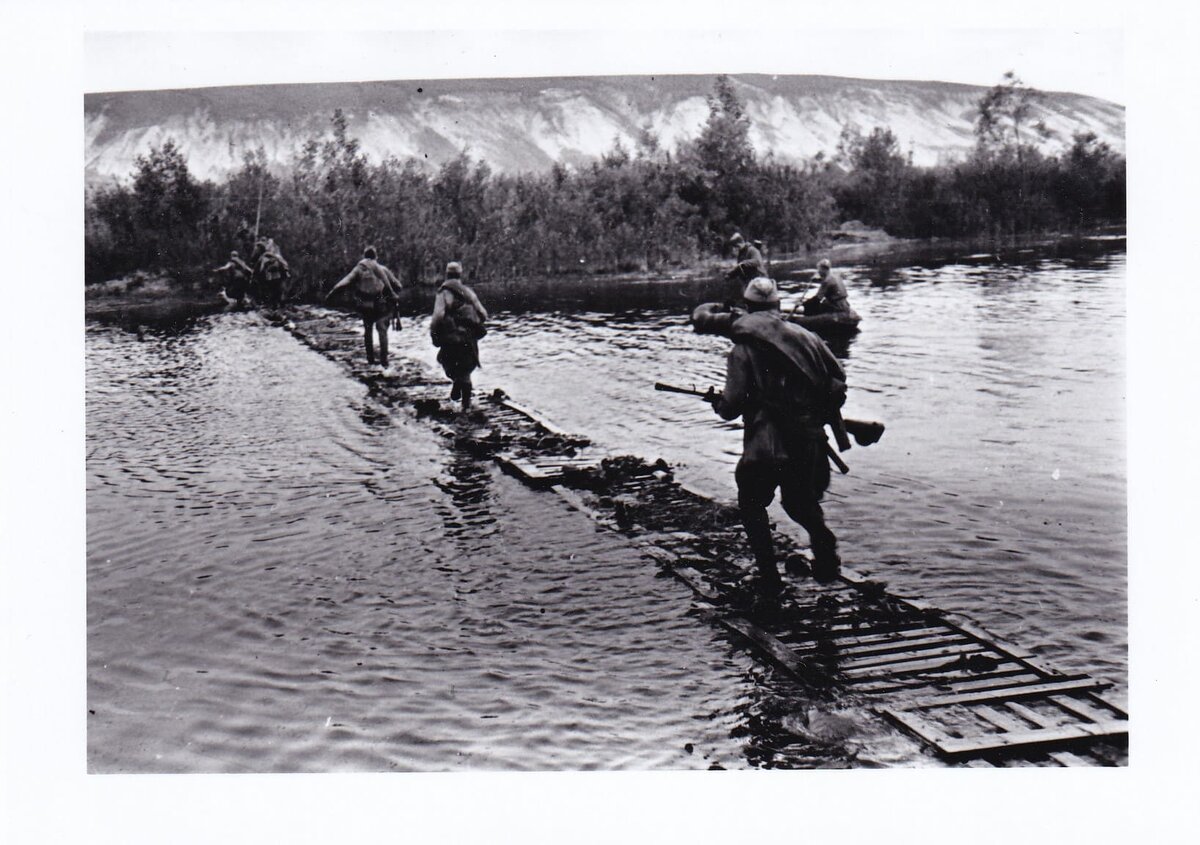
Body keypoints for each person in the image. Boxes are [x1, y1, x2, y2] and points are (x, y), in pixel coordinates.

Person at [699, 276, 847, 591]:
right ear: (777, 305)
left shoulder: (742, 348)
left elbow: (732, 405)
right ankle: (824, 546)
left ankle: (769, 578)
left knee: (751, 501)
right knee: (799, 501)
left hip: (766, 443)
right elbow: (838, 378)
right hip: (807, 437)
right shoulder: (807, 336)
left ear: (747, 306)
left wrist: (718, 405)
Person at [324, 246, 404, 370]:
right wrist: (390, 294)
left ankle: (370, 361)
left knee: (368, 331)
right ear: (376, 257)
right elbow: (398, 286)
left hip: (366, 305)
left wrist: (331, 294)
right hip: (381, 305)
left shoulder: (359, 270)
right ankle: (384, 362)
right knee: (382, 330)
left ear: (364, 256)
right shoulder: (383, 269)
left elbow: (344, 282)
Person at [430, 261, 488, 413]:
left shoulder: (443, 293)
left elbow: (438, 316)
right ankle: (466, 406)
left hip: (451, 337)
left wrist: (434, 332)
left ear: (446, 274)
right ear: (460, 274)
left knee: (448, 363)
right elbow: (483, 314)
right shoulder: (468, 292)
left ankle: (458, 387)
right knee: (466, 369)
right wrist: (472, 325)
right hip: (468, 338)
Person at [251, 236, 291, 307]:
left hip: (270, 273)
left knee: (271, 288)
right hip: (276, 271)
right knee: (277, 287)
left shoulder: (263, 249)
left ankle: (273, 304)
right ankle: (278, 304)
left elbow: (255, 259)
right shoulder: (273, 247)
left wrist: (254, 273)